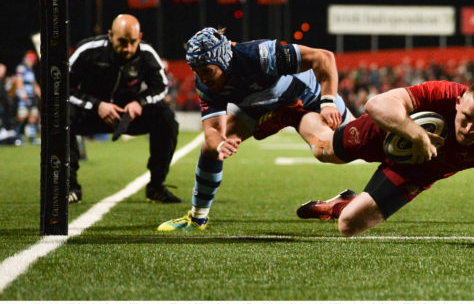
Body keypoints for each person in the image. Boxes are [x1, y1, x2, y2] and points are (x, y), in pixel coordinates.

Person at [157, 27, 352, 231]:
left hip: (305, 99)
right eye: (196, 70)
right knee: (210, 149)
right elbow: (213, 130)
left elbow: (324, 57)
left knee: (335, 149)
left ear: (223, 60)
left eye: (206, 70)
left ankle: (347, 199)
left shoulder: (259, 55)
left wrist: (328, 101)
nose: (202, 77)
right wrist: (222, 143)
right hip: (262, 109)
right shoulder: (204, 83)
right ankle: (198, 218)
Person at [296, 79, 474, 248]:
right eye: (466, 117)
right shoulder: (442, 92)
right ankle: (292, 114)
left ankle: (341, 204)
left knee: (348, 225)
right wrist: (418, 136)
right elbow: (375, 104)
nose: (469, 129)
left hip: (416, 172)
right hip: (386, 131)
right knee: (323, 149)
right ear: (458, 102)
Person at [68, 14, 180, 204]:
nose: (128, 48)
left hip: (128, 116)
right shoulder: (88, 50)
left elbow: (161, 87)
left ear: (140, 36)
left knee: (166, 118)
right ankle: (69, 188)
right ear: (110, 35)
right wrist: (97, 105)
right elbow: (61, 87)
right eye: (122, 41)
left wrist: (140, 103)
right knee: (61, 116)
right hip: (92, 114)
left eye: (132, 42)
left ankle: (156, 186)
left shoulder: (146, 53)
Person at [14, 51, 41, 144]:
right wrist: (23, 94)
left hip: (31, 97)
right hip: (24, 97)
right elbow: (19, 82)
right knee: (22, 116)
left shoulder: (31, 70)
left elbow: (34, 84)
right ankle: (16, 135)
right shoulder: (21, 68)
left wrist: (41, 95)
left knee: (33, 116)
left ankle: (32, 137)